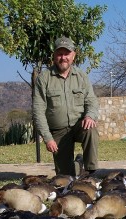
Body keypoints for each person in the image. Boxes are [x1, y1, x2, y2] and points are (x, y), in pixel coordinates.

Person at [32, 36, 99, 176]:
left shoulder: (82, 76)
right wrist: (48, 138)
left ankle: (90, 171)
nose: (63, 57)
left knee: (91, 129)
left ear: (73, 55)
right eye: (59, 54)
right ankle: (78, 165)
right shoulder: (43, 79)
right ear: (54, 56)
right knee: (65, 176)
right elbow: (38, 111)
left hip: (79, 127)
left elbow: (91, 100)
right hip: (58, 131)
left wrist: (90, 116)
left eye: (66, 53)